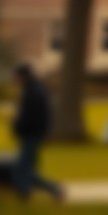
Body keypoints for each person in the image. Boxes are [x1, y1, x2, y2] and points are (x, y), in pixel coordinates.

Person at [11, 64, 64, 203]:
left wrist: (17, 126)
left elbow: (28, 117)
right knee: (28, 169)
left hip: (31, 135)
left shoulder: (32, 92)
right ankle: (51, 189)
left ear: (22, 77)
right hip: (35, 134)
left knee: (22, 168)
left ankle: (26, 193)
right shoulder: (36, 90)